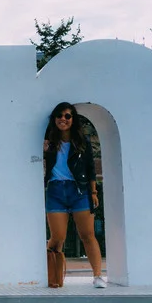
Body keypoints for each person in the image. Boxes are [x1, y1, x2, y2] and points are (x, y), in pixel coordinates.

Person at [43, 102, 106, 288]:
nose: (63, 119)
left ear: (73, 119)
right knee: (58, 237)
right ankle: (53, 275)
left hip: (79, 190)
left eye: (68, 116)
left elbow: (90, 168)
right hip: (55, 190)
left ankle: (97, 276)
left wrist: (93, 191)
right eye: (59, 116)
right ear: (54, 119)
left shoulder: (82, 141)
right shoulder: (48, 142)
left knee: (87, 234)